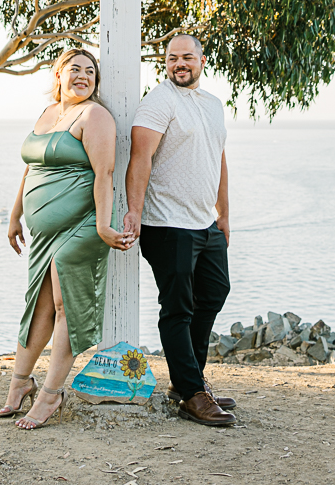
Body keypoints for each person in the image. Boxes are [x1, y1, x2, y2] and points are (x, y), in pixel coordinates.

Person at [0, 48, 134, 429]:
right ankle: (20, 383)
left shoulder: (95, 116)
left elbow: (104, 173)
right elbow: (31, 169)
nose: (83, 76)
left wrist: (104, 225)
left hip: (83, 224)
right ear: (58, 74)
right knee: (39, 305)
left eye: (90, 71)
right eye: (75, 68)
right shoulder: (46, 115)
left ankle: (51, 394)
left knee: (65, 306)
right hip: (43, 233)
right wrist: (15, 216)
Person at [124, 34, 236, 426]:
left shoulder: (212, 105)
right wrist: (134, 212)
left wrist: (223, 212)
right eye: (173, 58)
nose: (179, 64)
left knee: (214, 292)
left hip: (205, 223)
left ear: (202, 61)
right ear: (166, 63)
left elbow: (217, 159)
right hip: (167, 224)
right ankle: (191, 392)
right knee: (178, 309)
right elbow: (140, 158)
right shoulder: (159, 100)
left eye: (187, 57)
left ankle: (188, 381)